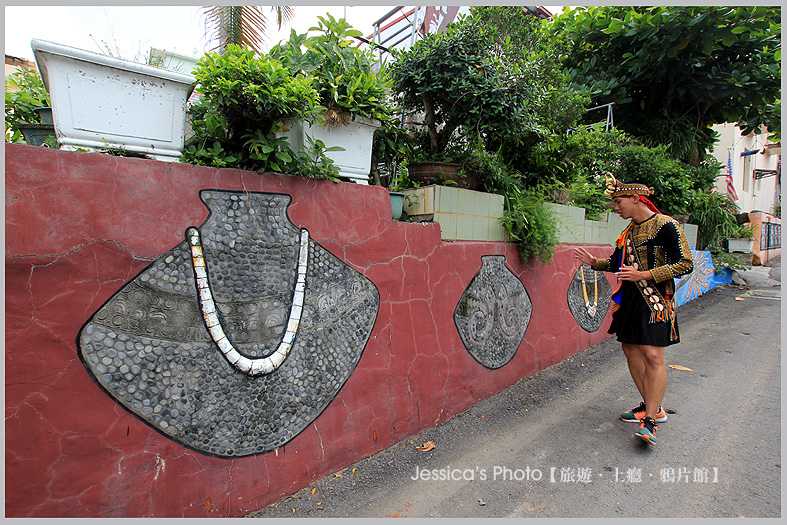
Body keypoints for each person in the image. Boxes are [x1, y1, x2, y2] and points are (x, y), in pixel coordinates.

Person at [574, 173, 693, 446]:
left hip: (656, 301)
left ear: (636, 199)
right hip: (630, 300)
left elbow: (685, 263)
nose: (616, 208)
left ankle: (650, 420)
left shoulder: (667, 226)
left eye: (619, 202)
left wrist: (645, 275)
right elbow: (616, 264)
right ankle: (652, 406)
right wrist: (594, 262)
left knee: (652, 354)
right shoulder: (627, 233)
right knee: (629, 350)